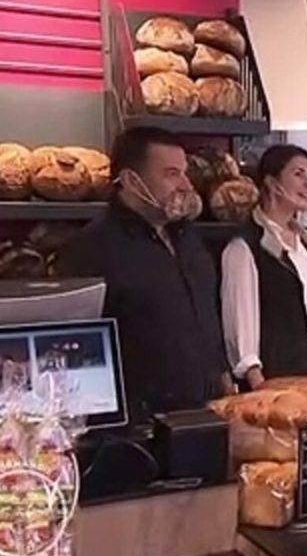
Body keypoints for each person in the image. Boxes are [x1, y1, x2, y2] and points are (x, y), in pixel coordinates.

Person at [57, 126, 230, 421]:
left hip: (205, 414)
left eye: (184, 173)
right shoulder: (91, 249)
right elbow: (76, 350)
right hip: (138, 428)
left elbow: (206, 315)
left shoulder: (188, 236)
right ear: (131, 180)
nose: (186, 185)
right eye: (171, 174)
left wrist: (222, 373)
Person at [221, 144, 307, 389]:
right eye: (298, 174)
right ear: (271, 183)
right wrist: (258, 383)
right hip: (276, 372)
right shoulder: (246, 247)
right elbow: (240, 324)